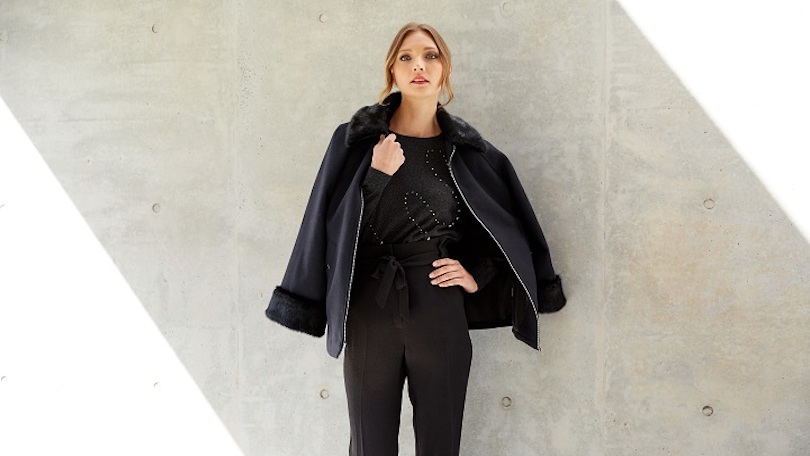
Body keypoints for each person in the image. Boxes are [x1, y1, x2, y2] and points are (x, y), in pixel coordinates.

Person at [265, 22, 566, 456]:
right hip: (370, 307)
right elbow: (327, 228)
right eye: (406, 57)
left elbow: (508, 231)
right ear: (392, 71)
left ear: (446, 70)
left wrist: (477, 274)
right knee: (369, 446)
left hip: (439, 309)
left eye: (430, 56)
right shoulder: (355, 142)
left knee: (440, 445)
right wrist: (375, 176)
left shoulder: (469, 152)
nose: (418, 65)